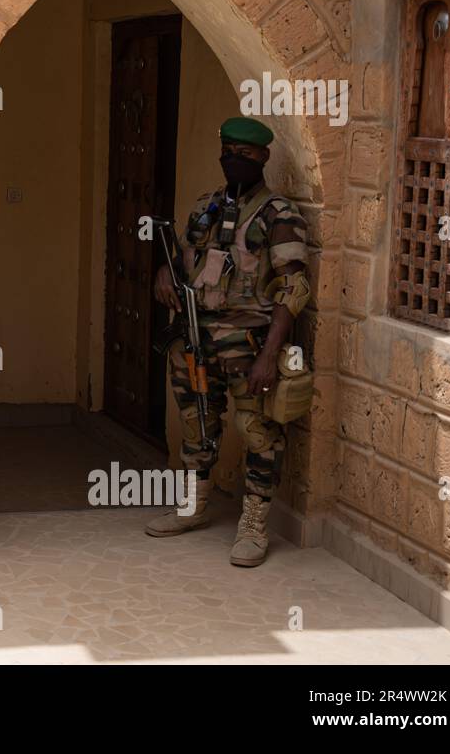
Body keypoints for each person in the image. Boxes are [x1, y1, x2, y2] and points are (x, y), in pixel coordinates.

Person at [145, 116, 311, 567]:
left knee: (257, 432)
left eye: (245, 154)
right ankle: (193, 507)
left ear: (263, 158)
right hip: (195, 338)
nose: (234, 160)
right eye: (228, 152)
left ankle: (254, 525)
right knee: (196, 425)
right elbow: (183, 261)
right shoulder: (205, 208)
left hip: (249, 344)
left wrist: (269, 356)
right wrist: (165, 273)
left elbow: (294, 290)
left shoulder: (279, 215)